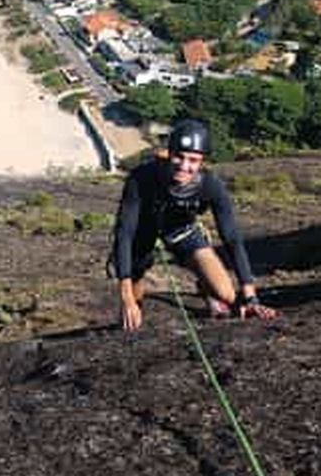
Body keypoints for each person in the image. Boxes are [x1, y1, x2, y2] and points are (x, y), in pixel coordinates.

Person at [111, 118, 276, 331]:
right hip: (142, 232)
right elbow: (125, 233)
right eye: (179, 157)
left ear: (202, 162)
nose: (184, 166)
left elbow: (232, 237)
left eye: (193, 160)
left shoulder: (210, 185)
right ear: (169, 153)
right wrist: (126, 296)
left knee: (226, 294)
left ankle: (205, 288)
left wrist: (251, 297)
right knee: (133, 308)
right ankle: (133, 308)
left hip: (181, 230)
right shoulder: (142, 177)